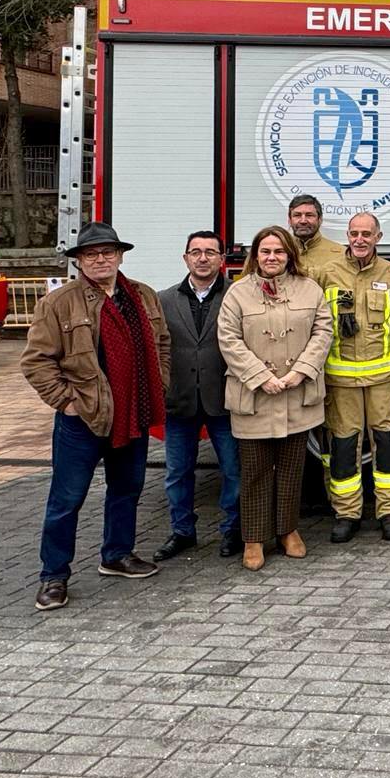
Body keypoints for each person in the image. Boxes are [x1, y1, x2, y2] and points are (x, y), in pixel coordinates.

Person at [21, 221, 170, 612]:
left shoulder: (143, 296)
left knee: (126, 490)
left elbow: (163, 344)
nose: (101, 259)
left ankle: (116, 555)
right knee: (66, 500)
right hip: (82, 420)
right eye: (91, 254)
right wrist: (67, 403)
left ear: (120, 256)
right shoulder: (58, 303)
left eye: (108, 252)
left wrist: (162, 382)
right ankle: (53, 576)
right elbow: (37, 361)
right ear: (79, 261)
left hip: (132, 412)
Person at [216, 225, 332, 571]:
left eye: (279, 251)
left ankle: (287, 531)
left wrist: (302, 370)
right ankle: (253, 539)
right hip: (254, 397)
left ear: (289, 256)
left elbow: (323, 331)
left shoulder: (309, 290)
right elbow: (229, 340)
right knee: (254, 472)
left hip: (297, 395)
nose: (272, 257)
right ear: (255, 255)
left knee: (292, 470)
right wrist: (261, 377)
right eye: (265, 251)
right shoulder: (237, 294)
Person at [314, 212, 390, 544]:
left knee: (387, 445)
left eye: (367, 233)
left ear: (378, 237)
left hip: (384, 378)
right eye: (354, 233)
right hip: (340, 380)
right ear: (347, 236)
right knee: (342, 447)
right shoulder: (327, 273)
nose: (360, 239)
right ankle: (346, 513)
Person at [154, 230, 242, 563]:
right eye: (195, 252)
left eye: (210, 252)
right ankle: (182, 532)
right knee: (178, 473)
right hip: (180, 402)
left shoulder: (237, 296)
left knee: (233, 471)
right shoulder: (164, 300)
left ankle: (233, 530)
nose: (202, 258)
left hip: (225, 401)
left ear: (222, 259)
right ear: (185, 258)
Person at [288, 194, 344, 279]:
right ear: (289, 220)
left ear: (320, 219)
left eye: (309, 215)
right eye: (297, 215)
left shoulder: (341, 254)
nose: (303, 221)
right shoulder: (280, 251)